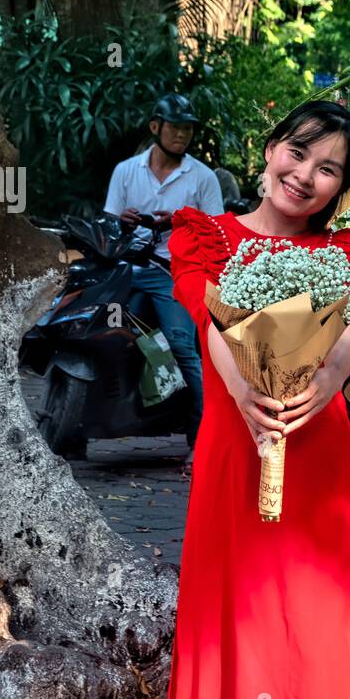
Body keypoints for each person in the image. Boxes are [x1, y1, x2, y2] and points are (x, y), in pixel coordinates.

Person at [144, 100, 350, 699]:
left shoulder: (349, 250)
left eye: (328, 169)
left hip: (318, 466)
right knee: (236, 651)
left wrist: (324, 386)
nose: (305, 176)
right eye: (298, 152)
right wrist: (246, 395)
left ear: (341, 188)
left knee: (319, 659)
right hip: (236, 455)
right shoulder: (205, 234)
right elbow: (213, 324)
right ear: (270, 145)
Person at [103, 94, 224, 475]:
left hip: (175, 272)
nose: (182, 135)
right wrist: (123, 220)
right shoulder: (126, 170)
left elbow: (219, 231)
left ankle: (203, 439)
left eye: (188, 128)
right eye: (175, 126)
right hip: (125, 268)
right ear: (156, 127)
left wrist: (179, 221)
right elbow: (107, 223)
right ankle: (75, 430)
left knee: (182, 345)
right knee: (102, 333)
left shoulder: (201, 176)